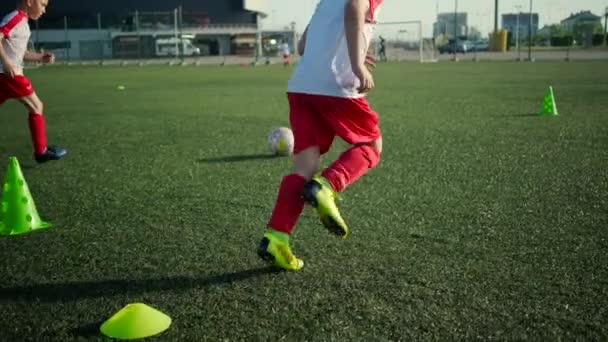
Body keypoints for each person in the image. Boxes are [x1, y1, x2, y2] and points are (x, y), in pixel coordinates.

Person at [258, 0, 384, 271]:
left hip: (302, 85)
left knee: (306, 162)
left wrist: (356, 52)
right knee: (372, 144)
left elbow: (303, 47)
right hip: (335, 85)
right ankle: (326, 187)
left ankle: (276, 237)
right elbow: (354, 9)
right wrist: (356, 64)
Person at [0, 0, 67, 163]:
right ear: (30, 2)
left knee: (35, 106)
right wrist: (6, 62)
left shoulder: (23, 22)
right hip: (10, 75)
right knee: (37, 106)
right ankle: (41, 152)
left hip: (5, 75)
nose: (44, 10)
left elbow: (20, 53)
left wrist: (40, 57)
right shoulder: (15, 18)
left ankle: (41, 151)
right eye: (43, 4)